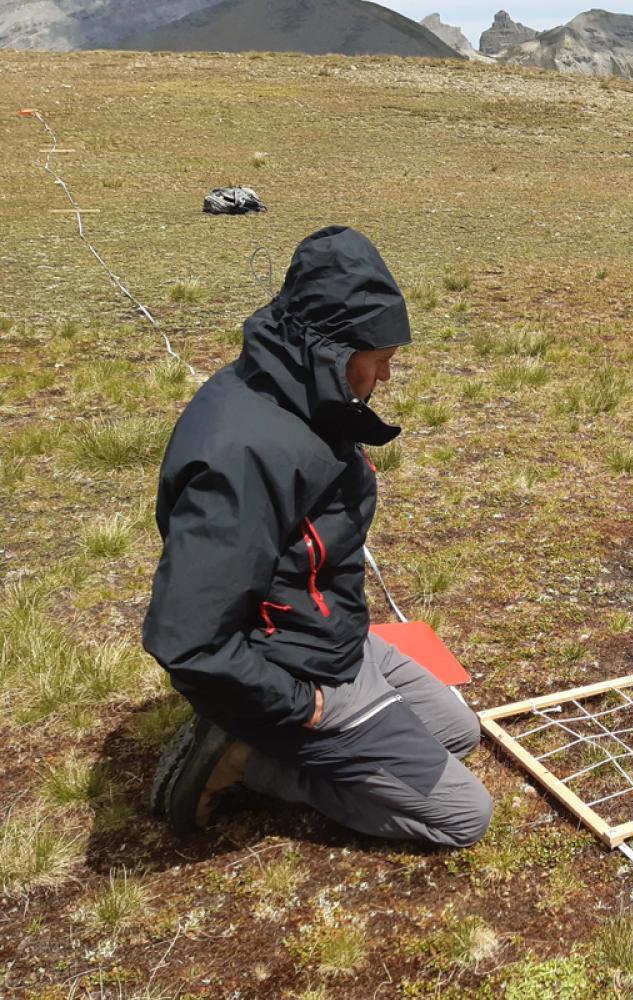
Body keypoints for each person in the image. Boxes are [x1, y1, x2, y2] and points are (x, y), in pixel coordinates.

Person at [144, 226, 493, 847]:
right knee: (465, 817)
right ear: (331, 349)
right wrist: (296, 703)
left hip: (329, 633)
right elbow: (188, 639)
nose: (385, 377)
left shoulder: (300, 387)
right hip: (293, 666)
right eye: (379, 360)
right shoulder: (245, 455)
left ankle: (281, 728)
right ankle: (250, 758)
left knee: (460, 733)